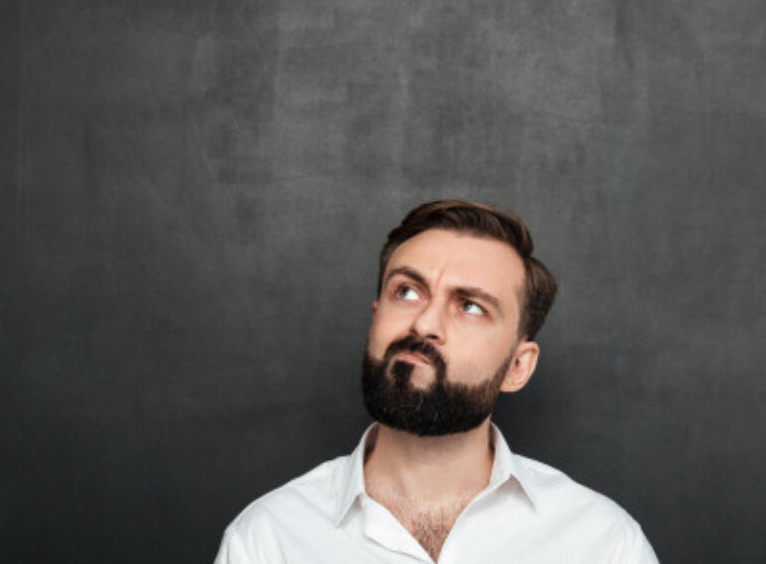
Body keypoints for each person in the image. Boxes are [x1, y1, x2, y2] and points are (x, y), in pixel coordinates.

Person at [214, 199, 659, 563]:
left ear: (517, 367)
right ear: (376, 318)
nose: (424, 323)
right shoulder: (268, 540)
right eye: (406, 292)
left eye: (470, 306)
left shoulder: (603, 545)